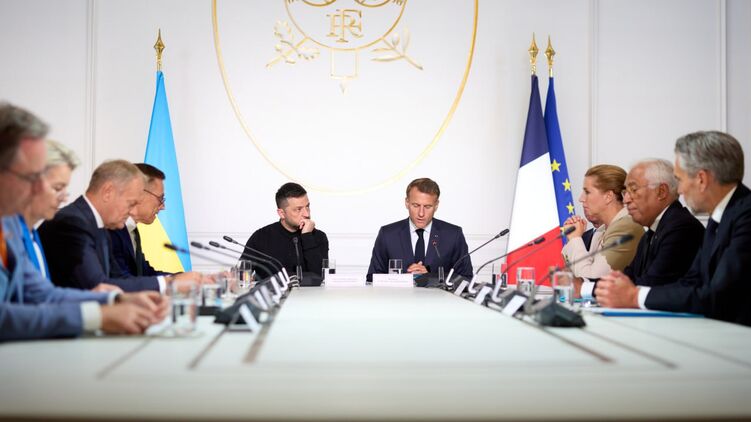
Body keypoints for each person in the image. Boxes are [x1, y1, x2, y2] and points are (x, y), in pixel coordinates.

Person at [0, 102, 166, 340]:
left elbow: (42, 294)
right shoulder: (68, 223)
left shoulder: (10, 226)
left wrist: (115, 299)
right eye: (32, 177)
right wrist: (97, 316)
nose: (40, 189)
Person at [596, 131, 751, 326]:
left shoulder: (746, 216)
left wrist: (635, 297)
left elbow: (720, 296)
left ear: (701, 179)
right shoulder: (719, 219)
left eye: (680, 180)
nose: (680, 190)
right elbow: (690, 282)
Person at [39, 159, 203, 292]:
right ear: (108, 192)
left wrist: (177, 280)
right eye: (130, 203)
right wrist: (169, 283)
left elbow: (117, 277)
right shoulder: (72, 223)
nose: (131, 210)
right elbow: (98, 286)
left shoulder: (99, 226)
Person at [366, 178, 472, 282]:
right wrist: (403, 279)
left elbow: (466, 278)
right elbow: (372, 278)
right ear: (407, 203)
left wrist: (430, 277)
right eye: (416, 205)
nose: (421, 213)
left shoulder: (453, 235)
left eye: (427, 206)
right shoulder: (388, 234)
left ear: (436, 206)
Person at [619, 159, 704, 287]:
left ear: (661, 192)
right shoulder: (650, 233)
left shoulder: (682, 228)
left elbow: (653, 284)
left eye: (634, 190)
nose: (626, 200)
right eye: (625, 192)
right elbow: (628, 278)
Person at [561, 165, 643, 293]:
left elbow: (589, 281)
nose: (581, 199)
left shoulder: (626, 228)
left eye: (587, 192)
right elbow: (573, 279)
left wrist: (575, 239)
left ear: (608, 196)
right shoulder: (601, 231)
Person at [241, 182, 329, 282]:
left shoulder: (319, 237)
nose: (306, 214)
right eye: (298, 209)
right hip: (273, 292)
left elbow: (321, 277)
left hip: (311, 293)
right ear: (282, 213)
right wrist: (243, 277)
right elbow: (242, 274)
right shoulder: (260, 237)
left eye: (307, 206)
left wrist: (307, 236)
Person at [109, 163, 170, 277]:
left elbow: (145, 273)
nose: (163, 206)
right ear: (139, 194)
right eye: (160, 199)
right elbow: (122, 280)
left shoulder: (132, 230)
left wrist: (182, 278)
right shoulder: (111, 231)